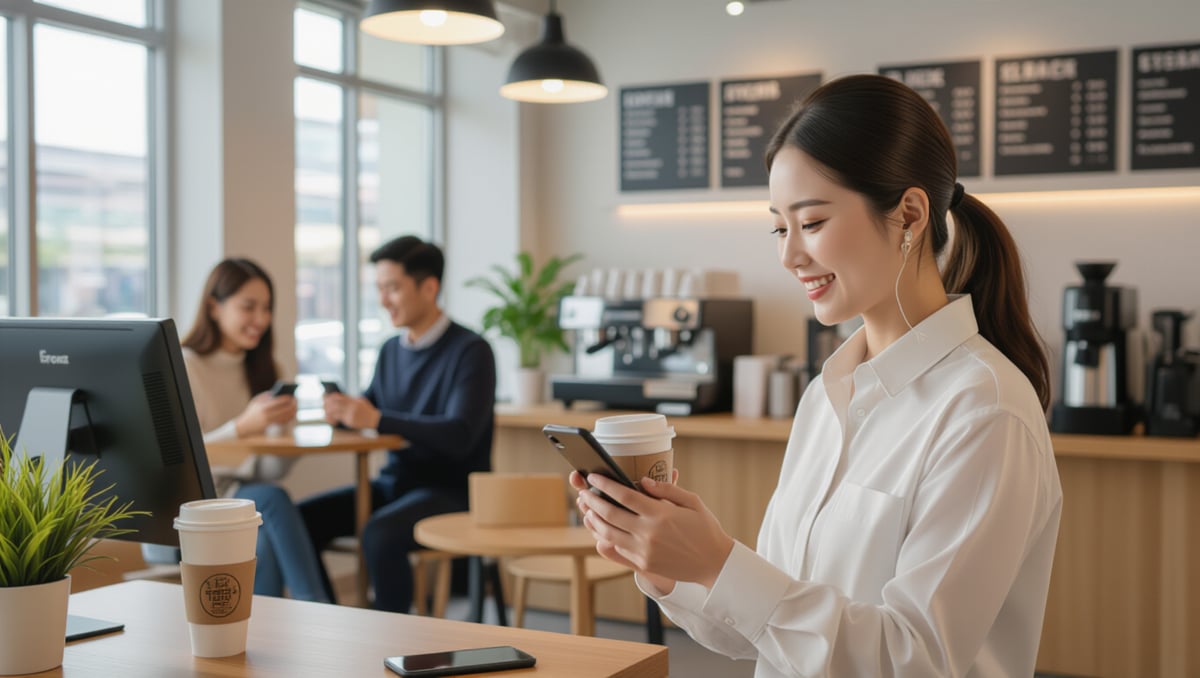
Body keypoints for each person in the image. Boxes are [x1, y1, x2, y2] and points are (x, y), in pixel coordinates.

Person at [572, 74, 1063, 677]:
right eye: (780, 227)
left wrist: (722, 563)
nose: (788, 255)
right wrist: (672, 563)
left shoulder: (984, 411)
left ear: (909, 213)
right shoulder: (828, 394)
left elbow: (916, 661)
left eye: (811, 223)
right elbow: (764, 635)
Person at [299, 235, 496, 613]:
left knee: (380, 532)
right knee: (302, 519)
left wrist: (375, 418)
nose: (383, 300)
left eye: (392, 288)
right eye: (379, 288)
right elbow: (372, 408)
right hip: (397, 484)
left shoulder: (471, 351)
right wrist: (343, 413)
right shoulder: (391, 350)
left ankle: (393, 643)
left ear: (429, 287)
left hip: (453, 491)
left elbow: (459, 435)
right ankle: (322, 615)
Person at [165, 257, 330, 604]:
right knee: (270, 500)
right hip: (195, 503)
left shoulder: (264, 369)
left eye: (267, 308)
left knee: (264, 519)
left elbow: (268, 471)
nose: (261, 320)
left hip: (243, 500)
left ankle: (259, 632)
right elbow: (182, 463)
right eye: (248, 307)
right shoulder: (185, 366)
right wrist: (242, 427)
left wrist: (282, 433)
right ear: (214, 307)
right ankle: (319, 607)